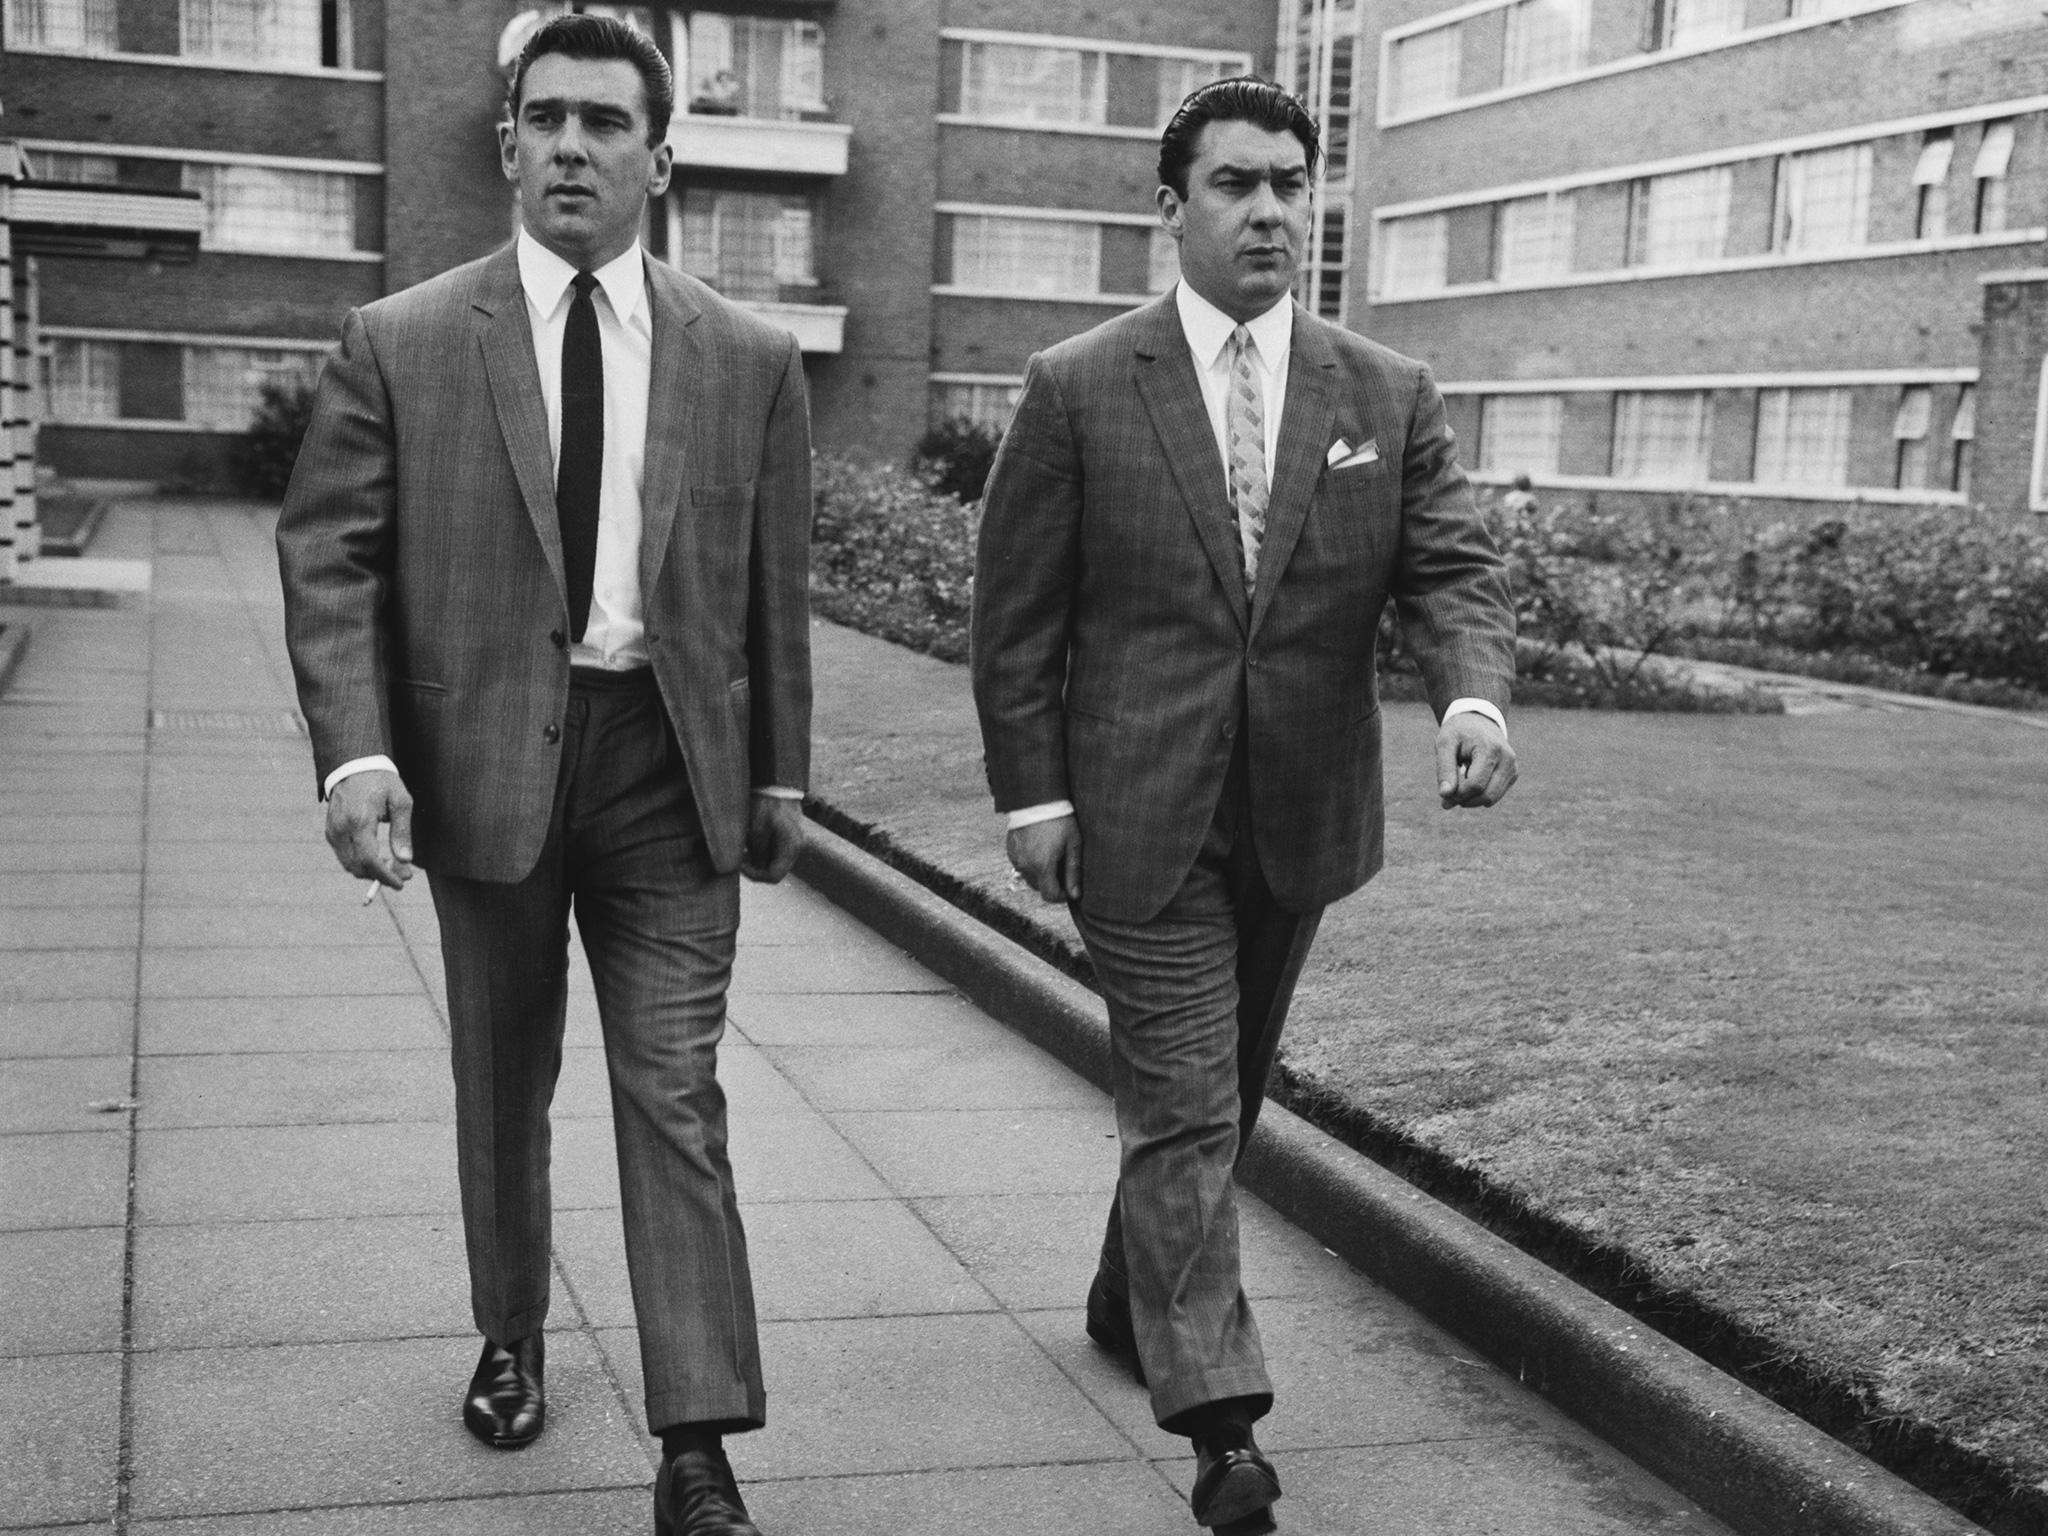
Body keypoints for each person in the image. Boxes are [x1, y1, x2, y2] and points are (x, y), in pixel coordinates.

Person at [275, 17, 809, 1536]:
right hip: (486, 761)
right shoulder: (407, 338)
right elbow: (329, 552)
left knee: (676, 1094)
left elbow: (771, 591)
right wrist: (360, 751)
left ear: (658, 154)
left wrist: (782, 777)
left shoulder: (751, 360)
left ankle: (696, 1441)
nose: (575, 144)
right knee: (503, 1083)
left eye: (607, 121)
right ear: (508, 142)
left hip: (667, 767)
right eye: (548, 118)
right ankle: (512, 1332)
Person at [969, 77, 1518, 1535]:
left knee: (1214, 1100)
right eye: (1234, 184)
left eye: (1290, 184)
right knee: (1190, 1108)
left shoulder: (1381, 391)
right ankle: (1223, 1427)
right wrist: (1032, 794)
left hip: (1301, 815)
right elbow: (1014, 619)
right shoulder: (1080, 384)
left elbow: (1451, 575)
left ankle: (1124, 1294)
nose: (1269, 209)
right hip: (1135, 811)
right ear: (1174, 208)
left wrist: (1470, 698)